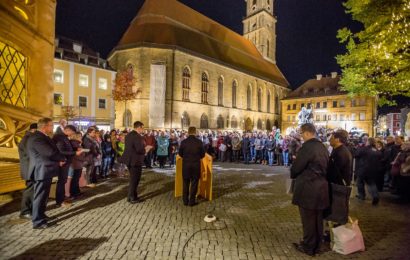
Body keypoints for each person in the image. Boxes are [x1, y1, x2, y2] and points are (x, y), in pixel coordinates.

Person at [291, 123, 329, 256]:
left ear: (307, 133)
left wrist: (295, 162)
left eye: (301, 133)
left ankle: (308, 246)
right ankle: (317, 245)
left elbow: (296, 169)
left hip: (308, 187)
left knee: (308, 219)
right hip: (321, 187)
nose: (300, 136)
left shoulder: (307, 147)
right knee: (318, 219)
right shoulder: (322, 146)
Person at [27, 118, 66, 229]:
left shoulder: (43, 136)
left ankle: (41, 215)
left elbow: (52, 150)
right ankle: (37, 221)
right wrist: (61, 158)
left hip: (45, 170)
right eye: (51, 126)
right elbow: (49, 152)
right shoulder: (37, 138)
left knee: (44, 197)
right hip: (41, 170)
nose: (52, 128)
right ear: (45, 126)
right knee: (40, 197)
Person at [120, 121, 150, 204]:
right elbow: (139, 149)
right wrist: (146, 149)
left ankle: (131, 196)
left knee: (133, 179)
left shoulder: (129, 135)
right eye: (142, 128)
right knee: (135, 179)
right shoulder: (137, 136)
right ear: (139, 127)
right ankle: (132, 197)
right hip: (135, 161)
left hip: (129, 160)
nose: (143, 130)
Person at [178, 126, 205, 206]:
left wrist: (186, 158)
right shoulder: (199, 142)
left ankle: (185, 201)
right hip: (195, 165)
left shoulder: (184, 142)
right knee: (194, 183)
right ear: (195, 132)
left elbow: (180, 154)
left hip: (186, 165)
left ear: (188, 132)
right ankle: (191, 201)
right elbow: (203, 155)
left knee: (185, 183)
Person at [18, 123, 37, 219]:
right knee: (29, 189)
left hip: (31, 168)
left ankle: (31, 209)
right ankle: (25, 211)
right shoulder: (27, 139)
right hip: (29, 169)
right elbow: (31, 155)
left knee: (32, 189)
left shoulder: (29, 138)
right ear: (34, 130)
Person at [355, 137, 381, 205]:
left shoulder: (364, 149)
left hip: (363, 169)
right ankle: (375, 196)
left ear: (368, 142)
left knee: (360, 182)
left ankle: (361, 195)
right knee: (371, 183)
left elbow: (356, 154)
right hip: (373, 170)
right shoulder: (377, 150)